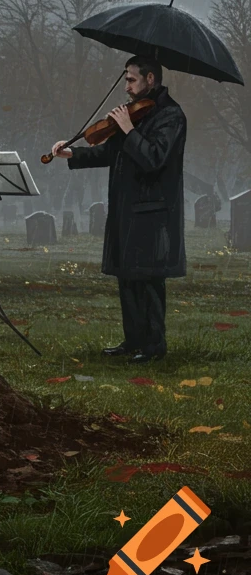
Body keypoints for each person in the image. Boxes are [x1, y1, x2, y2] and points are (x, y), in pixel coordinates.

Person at [50, 56, 186, 364]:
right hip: (127, 208)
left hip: (153, 212)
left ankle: (153, 346)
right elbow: (110, 151)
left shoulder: (171, 116)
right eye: (125, 79)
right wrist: (73, 153)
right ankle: (133, 340)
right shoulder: (137, 114)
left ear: (151, 79)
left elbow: (153, 158)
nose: (126, 86)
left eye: (131, 79)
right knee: (127, 277)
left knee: (149, 279)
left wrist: (127, 128)